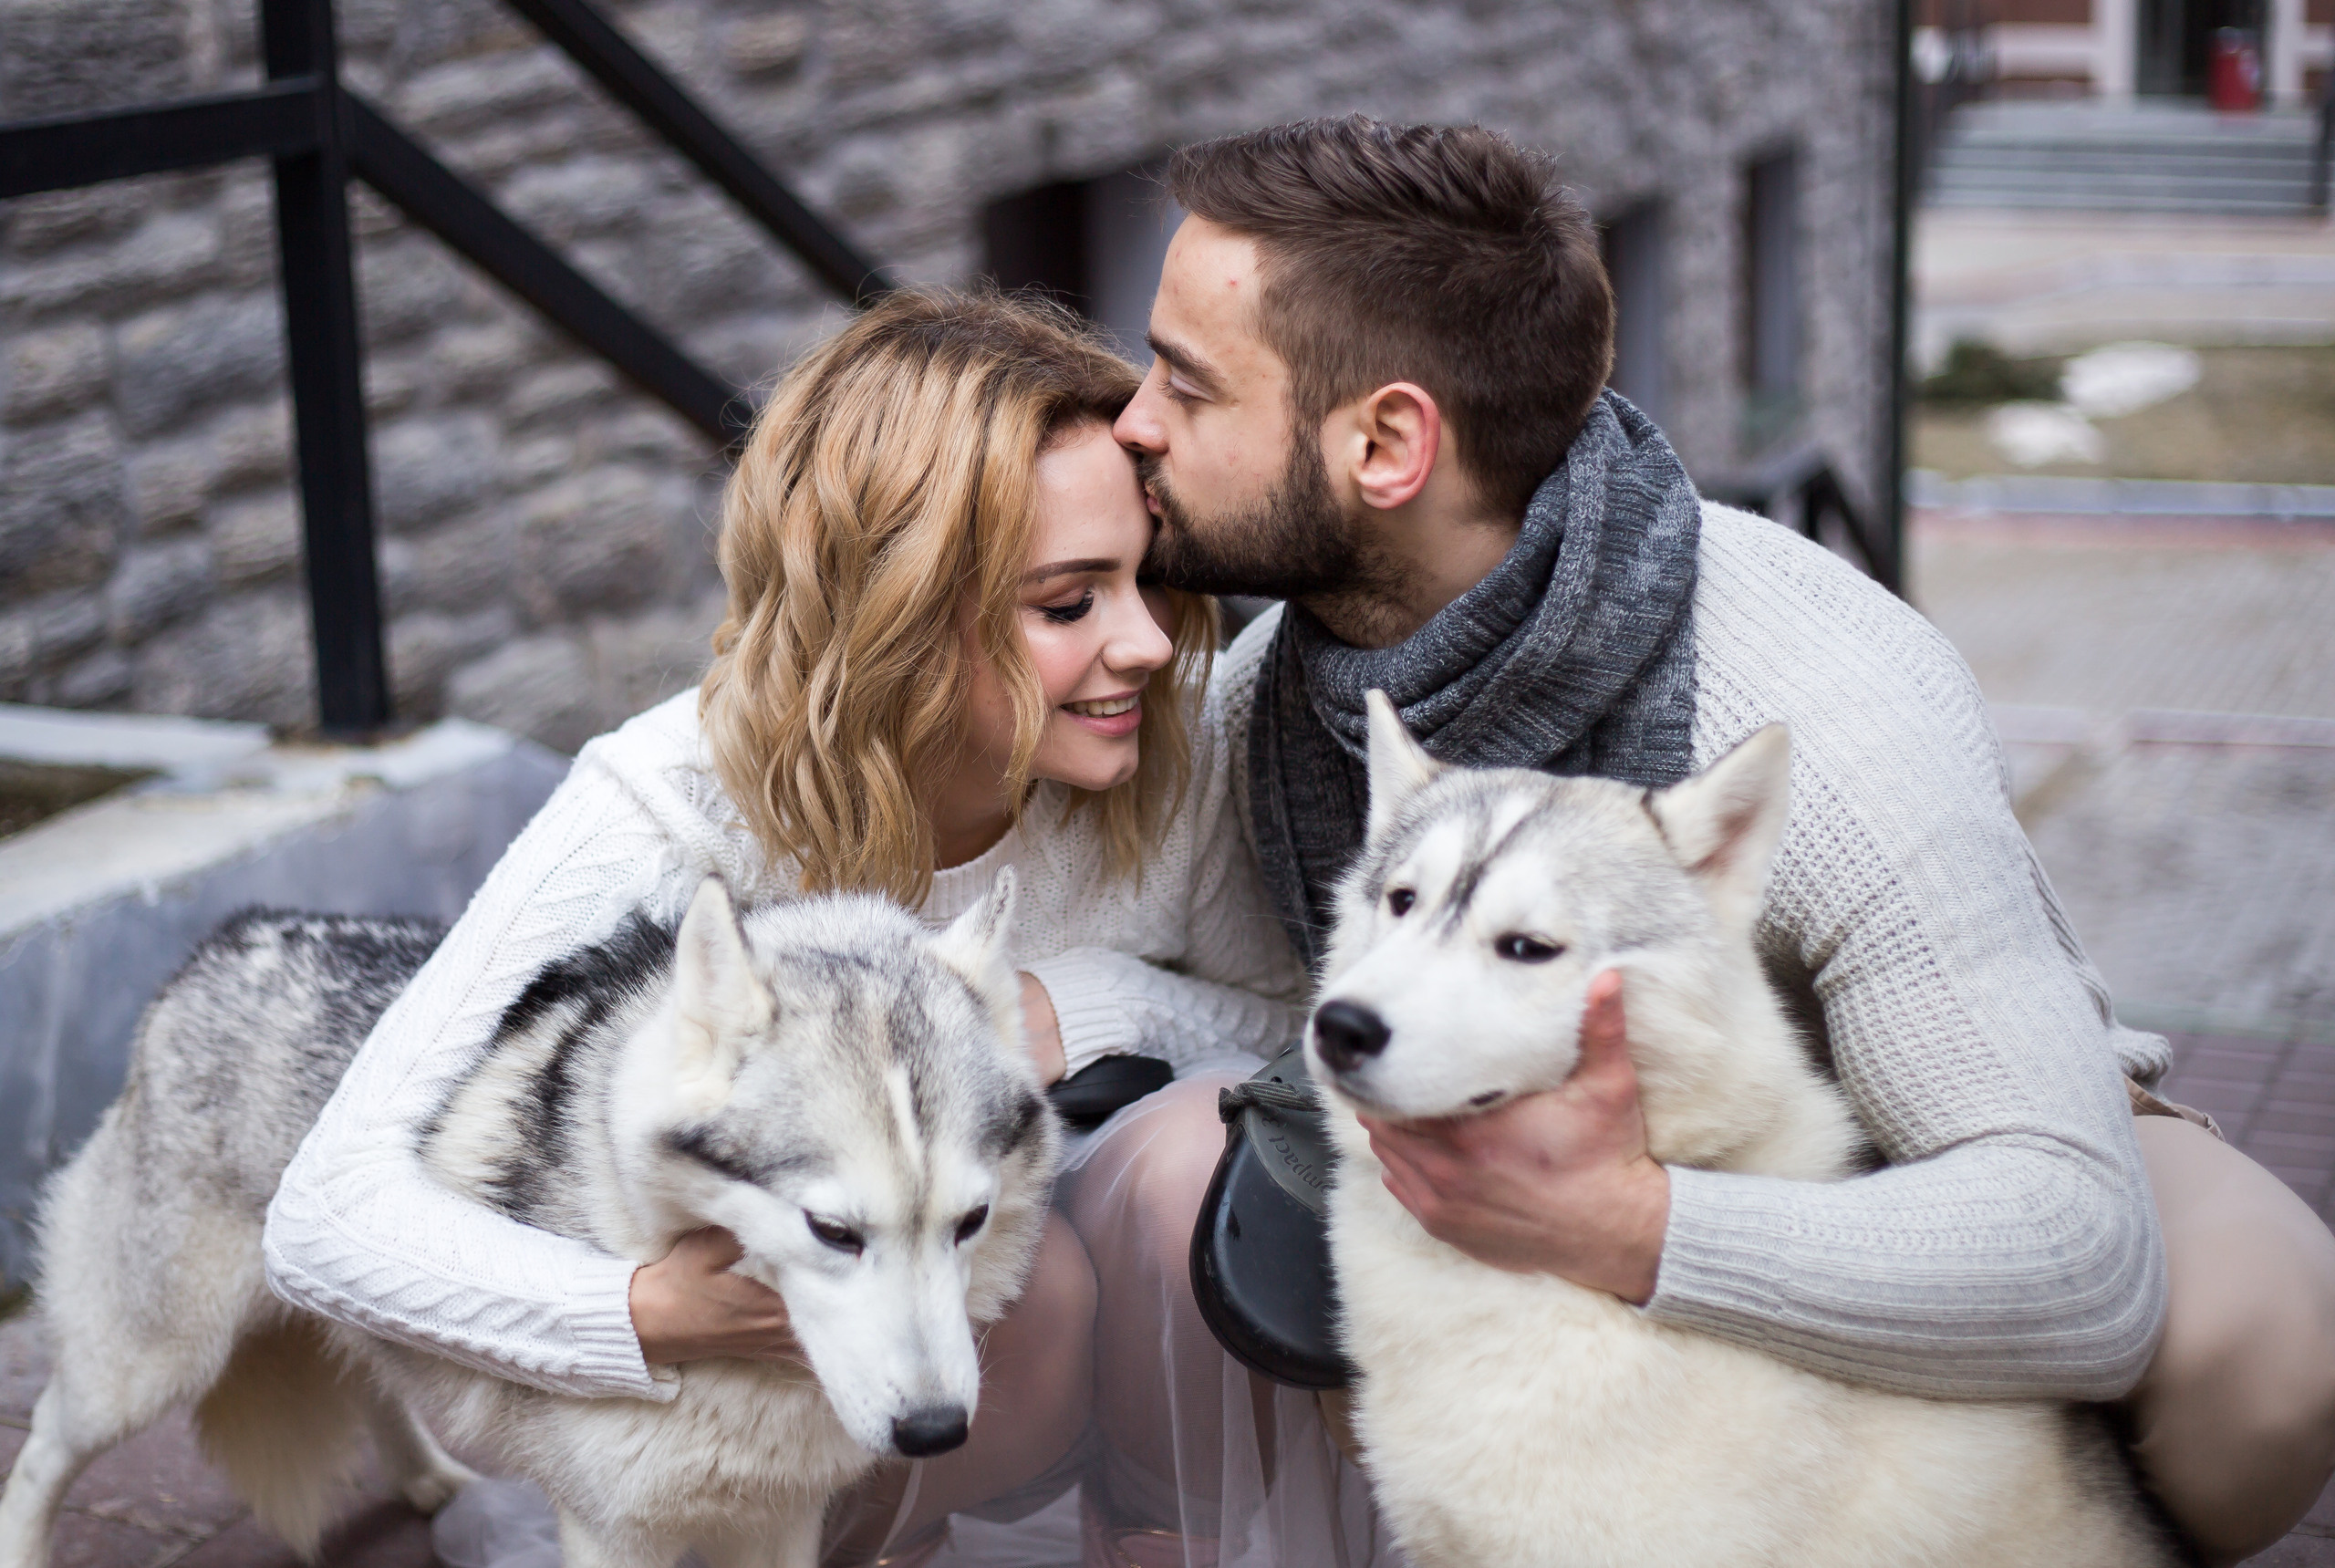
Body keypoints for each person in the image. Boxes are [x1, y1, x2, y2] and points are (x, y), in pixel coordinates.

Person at [1104, 114, 2335, 1566]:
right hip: (1513, 1182)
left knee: (2270, 1350)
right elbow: (1267, 1029)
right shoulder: (1277, 696)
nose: (1133, 420)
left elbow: (2078, 1257)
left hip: (1903, 1147)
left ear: (1386, 443)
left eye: (1185, 381)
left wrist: (1628, 1227)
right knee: (1210, 1168)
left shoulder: (1824, 694)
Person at [260, 290, 1345, 1568]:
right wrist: (641, 1313)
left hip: (1033, 1260)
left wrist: (1089, 1001)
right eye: (1068, 603)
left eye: (1145, 582)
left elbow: (1298, 1035)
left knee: (1189, 1166)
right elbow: (325, 1218)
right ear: (897, 611)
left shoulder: (1170, 730)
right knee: (1032, 1293)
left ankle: (1155, 1534)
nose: (1150, 643)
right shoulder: (666, 802)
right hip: (820, 1353)